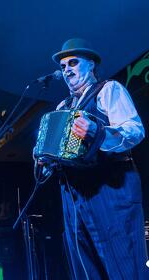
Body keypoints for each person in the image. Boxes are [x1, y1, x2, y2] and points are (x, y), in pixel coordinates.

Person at [44, 38, 148, 279]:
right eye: (63, 66)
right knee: (86, 268)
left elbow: (134, 131)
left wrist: (98, 133)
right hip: (74, 197)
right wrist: (47, 161)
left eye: (73, 63)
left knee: (124, 265)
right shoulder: (63, 105)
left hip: (110, 191)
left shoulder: (108, 90)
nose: (67, 69)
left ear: (90, 65)